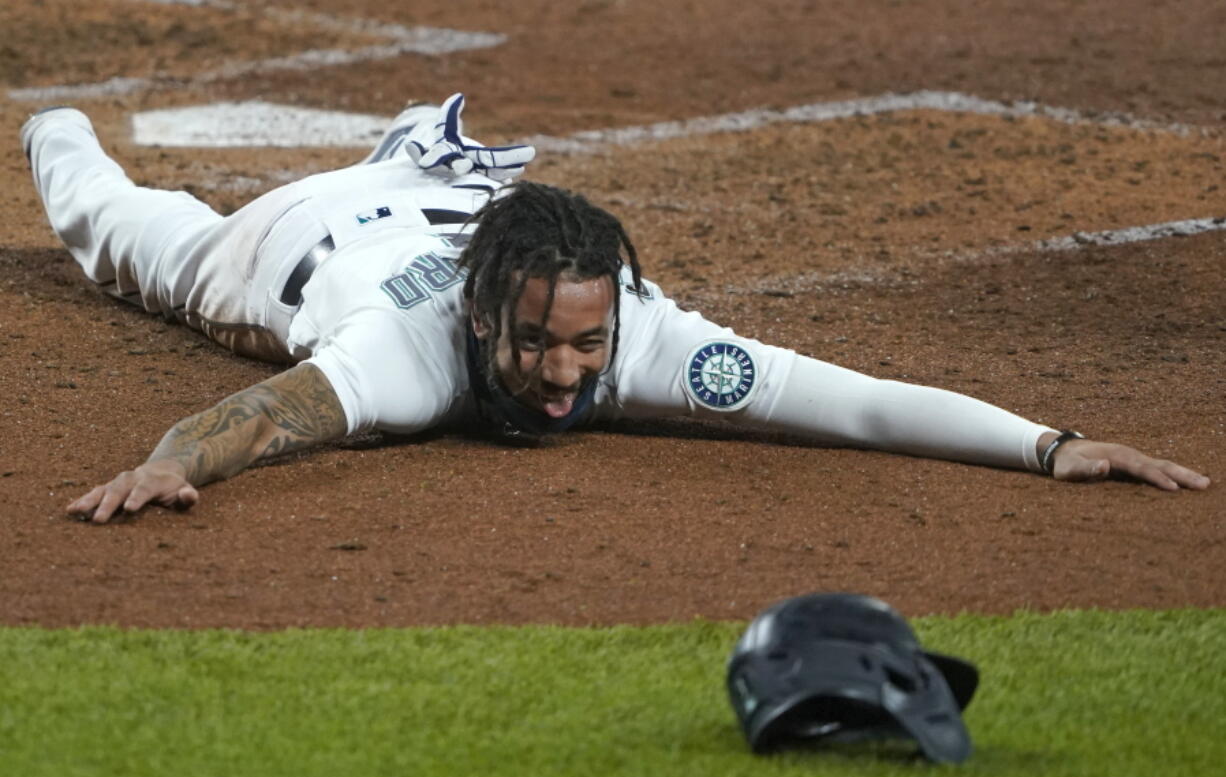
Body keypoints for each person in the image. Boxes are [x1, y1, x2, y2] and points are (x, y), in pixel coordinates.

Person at [20, 95, 1210, 524]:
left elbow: (844, 403)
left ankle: (408, 154)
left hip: (444, 196)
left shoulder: (637, 335)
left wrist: (1045, 442)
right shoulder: (405, 354)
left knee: (132, 230)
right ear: (484, 318)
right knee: (125, 235)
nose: (560, 374)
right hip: (291, 239)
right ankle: (51, 123)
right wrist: (168, 462)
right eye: (534, 343)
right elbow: (264, 413)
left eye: (585, 342)